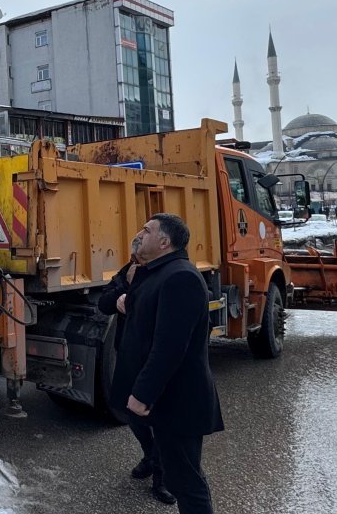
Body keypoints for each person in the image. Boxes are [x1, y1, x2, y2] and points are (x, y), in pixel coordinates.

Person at [110, 213, 224, 514]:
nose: (139, 234)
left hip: (179, 400)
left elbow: (170, 347)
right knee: (178, 475)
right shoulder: (155, 273)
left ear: (164, 242)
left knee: (186, 481)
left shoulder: (181, 278)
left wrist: (142, 394)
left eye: (146, 230)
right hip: (166, 400)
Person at [98, 237, 176, 505]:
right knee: (129, 411)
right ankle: (150, 454)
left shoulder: (167, 274)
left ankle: (162, 477)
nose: (137, 252)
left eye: (141, 246)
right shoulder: (129, 270)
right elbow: (103, 301)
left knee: (159, 416)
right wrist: (118, 297)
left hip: (154, 356)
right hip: (129, 354)